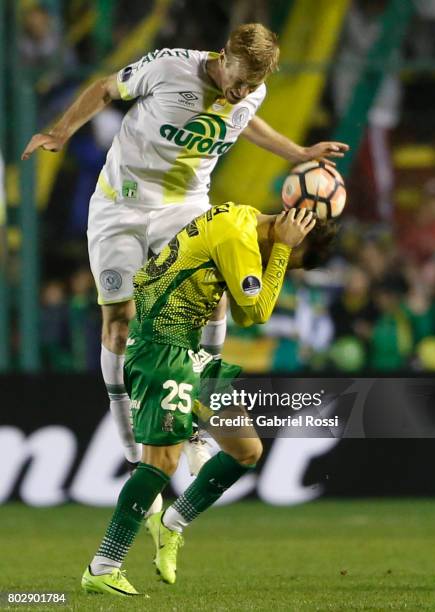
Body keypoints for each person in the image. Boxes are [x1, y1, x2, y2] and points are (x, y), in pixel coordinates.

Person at [22, 23, 348, 472]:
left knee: (211, 294)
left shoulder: (251, 92)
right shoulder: (170, 67)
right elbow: (104, 89)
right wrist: (61, 132)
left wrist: (297, 152)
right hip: (122, 206)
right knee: (119, 325)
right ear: (222, 56)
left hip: (185, 208)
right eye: (239, 79)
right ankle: (129, 436)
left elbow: (244, 119)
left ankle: (199, 407)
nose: (243, 90)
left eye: (253, 85)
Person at [80, 201, 326, 595]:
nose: (280, 266)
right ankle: (104, 565)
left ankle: (170, 525)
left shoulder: (240, 216)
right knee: (161, 462)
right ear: (294, 241)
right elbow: (254, 315)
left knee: (245, 450)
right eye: (294, 262)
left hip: (190, 347)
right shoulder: (240, 238)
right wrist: (281, 248)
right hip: (164, 346)